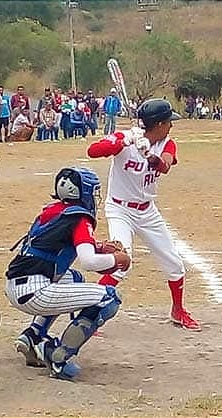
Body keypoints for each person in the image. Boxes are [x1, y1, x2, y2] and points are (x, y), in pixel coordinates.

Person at [86, 98, 200, 331]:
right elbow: (93, 151)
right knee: (121, 263)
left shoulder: (167, 143)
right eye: (168, 122)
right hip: (120, 209)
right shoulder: (126, 139)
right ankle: (89, 315)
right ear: (158, 123)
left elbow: (165, 166)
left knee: (174, 263)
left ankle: (178, 311)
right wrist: (124, 140)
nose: (171, 126)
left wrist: (150, 156)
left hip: (147, 211)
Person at [6, 167, 130, 380]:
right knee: (109, 298)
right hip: (34, 290)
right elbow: (88, 261)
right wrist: (117, 259)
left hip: (17, 284)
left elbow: (59, 247)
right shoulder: (80, 218)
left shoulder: (53, 211)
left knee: (75, 279)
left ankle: (33, 335)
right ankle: (57, 356)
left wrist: (99, 247)